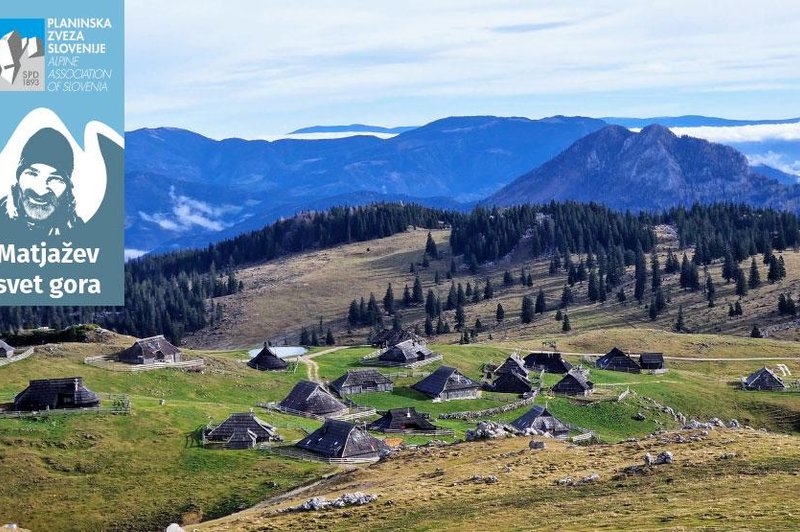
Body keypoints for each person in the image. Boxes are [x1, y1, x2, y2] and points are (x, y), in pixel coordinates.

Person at [2, 127, 83, 236]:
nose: (40, 190)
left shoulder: (80, 234)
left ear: (67, 187)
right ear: (19, 178)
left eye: (55, 179)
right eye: (32, 174)